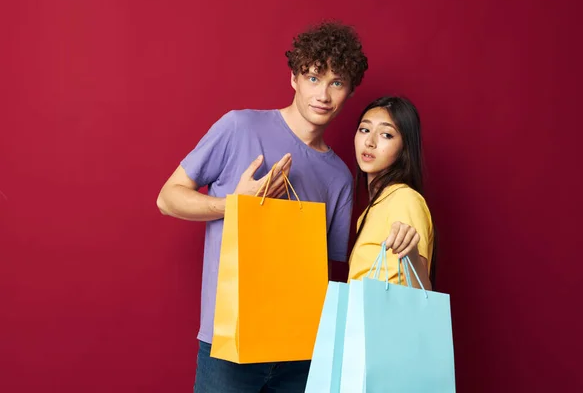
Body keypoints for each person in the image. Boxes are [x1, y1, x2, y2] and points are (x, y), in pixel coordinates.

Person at [156, 21, 419, 391]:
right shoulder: (240, 127)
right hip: (231, 346)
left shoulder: (341, 176)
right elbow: (167, 198)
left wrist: (405, 250)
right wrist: (235, 206)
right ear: (294, 78)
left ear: (349, 92)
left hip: (301, 351)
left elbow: (328, 273)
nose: (323, 94)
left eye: (337, 83)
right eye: (313, 78)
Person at [348, 96, 435, 290]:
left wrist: (411, 252)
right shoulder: (371, 210)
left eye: (386, 135)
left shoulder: (403, 198)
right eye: (365, 129)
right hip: (364, 316)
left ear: (404, 147)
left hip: (386, 318)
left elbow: (422, 292)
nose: (370, 142)